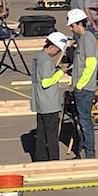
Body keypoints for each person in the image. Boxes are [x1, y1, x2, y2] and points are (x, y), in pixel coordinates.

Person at [65, 9, 98, 159]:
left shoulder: (88, 39)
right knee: (80, 120)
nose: (71, 29)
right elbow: (81, 62)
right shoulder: (82, 39)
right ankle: (81, 152)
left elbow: (91, 64)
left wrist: (80, 84)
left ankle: (89, 154)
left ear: (79, 23)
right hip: (81, 87)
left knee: (85, 122)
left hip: (84, 89)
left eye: (72, 25)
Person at [30, 32, 69, 162]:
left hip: (39, 101)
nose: (57, 53)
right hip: (49, 103)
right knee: (52, 135)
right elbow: (46, 82)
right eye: (57, 50)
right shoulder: (46, 60)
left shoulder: (38, 57)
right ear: (52, 47)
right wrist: (60, 73)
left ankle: (40, 158)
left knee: (41, 133)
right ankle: (53, 159)